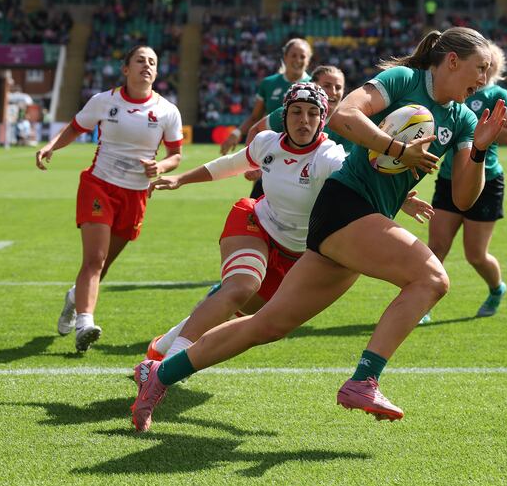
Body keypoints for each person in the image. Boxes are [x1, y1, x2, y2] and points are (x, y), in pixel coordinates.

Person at [131, 27, 506, 431]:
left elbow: (464, 198)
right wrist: (397, 149)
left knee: (267, 324)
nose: (484, 79)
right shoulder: (404, 80)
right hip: (346, 205)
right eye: (480, 68)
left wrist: (480, 150)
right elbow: (345, 115)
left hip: (362, 220)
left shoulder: (464, 119)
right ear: (453, 61)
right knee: (432, 279)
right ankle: (364, 380)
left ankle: (160, 374)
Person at [143, 82, 433, 362]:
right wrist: (181, 179)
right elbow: (230, 165)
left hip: (296, 254)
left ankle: (162, 346)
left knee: (240, 308)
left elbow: (358, 186)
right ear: (284, 115)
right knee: (240, 287)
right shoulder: (267, 143)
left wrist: (402, 200)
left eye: (312, 113)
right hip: (255, 223)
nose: (303, 120)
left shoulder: (328, 156)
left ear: (322, 119)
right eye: (296, 111)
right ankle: (164, 366)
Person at [36, 45, 183, 352]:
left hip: (135, 194)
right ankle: (85, 323)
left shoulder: (168, 111)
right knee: (94, 259)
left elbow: (175, 155)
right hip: (99, 185)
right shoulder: (104, 101)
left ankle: (74, 297)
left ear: (157, 72)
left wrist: (160, 167)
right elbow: (75, 128)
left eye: (152, 62)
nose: (146, 65)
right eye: (140, 60)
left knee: (103, 264)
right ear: (126, 69)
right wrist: (50, 146)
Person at [422, 42, 507, 323]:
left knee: (475, 255)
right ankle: (422, 303)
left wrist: (475, 127)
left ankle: (496, 288)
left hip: (486, 182)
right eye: (478, 65)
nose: (482, 71)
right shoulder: (454, 92)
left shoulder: (499, 95)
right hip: (449, 178)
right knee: (436, 247)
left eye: (487, 65)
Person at [219, 38, 313, 198]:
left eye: (302, 56)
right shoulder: (269, 83)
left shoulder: (314, 85)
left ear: (308, 60)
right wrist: (236, 133)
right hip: (269, 152)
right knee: (258, 202)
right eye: (293, 55)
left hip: (300, 156)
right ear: (285, 57)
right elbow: (255, 117)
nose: (298, 60)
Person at [245, 65, 354, 154]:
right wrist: (252, 165)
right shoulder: (289, 113)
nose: (333, 92)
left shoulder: (347, 124)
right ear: (313, 85)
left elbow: (345, 165)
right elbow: (256, 130)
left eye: (338, 88)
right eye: (327, 86)